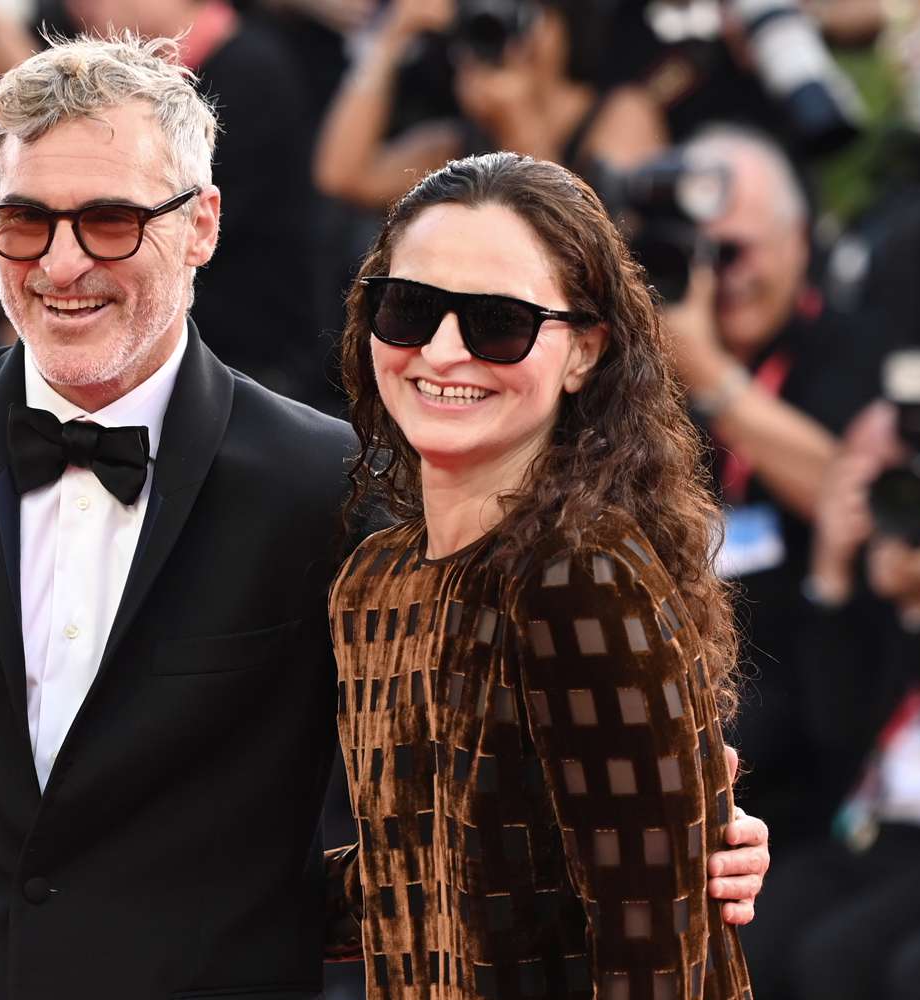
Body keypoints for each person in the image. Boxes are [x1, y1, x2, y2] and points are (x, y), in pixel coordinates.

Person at [0, 35, 769, 999]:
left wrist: (670, 836)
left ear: (201, 225)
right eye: (25, 221)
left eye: (109, 220)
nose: (61, 264)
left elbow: (464, 806)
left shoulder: (328, 485)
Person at [328, 152, 754, 997]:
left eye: (499, 323)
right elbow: (409, 885)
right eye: (408, 309)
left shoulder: (575, 578)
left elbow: (655, 957)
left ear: (584, 354)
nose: (444, 352)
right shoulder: (374, 580)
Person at [660, 124, 891, 844]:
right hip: (686, 666)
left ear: (799, 239)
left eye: (737, 251)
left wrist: (713, 377)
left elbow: (853, 493)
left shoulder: (855, 347)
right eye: (701, 256)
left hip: (808, 682)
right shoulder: (659, 360)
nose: (721, 276)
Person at [742, 400, 920, 1000]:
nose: (913, 493)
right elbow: (831, 733)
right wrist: (832, 575)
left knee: (837, 956)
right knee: (748, 935)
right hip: (865, 829)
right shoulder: (882, 563)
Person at [66, 0, 330, 406]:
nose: (81, 6)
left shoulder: (250, 71)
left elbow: (158, 219)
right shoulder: (195, 72)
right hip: (177, 350)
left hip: (251, 367)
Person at [313, 0, 666, 211]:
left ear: (560, 23)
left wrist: (519, 125)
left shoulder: (622, 113)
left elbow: (594, 249)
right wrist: (388, 42)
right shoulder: (464, 142)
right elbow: (343, 176)